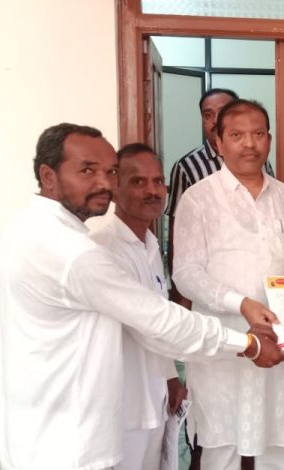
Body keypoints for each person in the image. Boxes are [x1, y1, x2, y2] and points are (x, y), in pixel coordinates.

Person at [0, 123, 283, 470]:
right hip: (65, 441)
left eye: (110, 172)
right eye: (87, 171)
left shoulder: (30, 227)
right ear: (48, 176)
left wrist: (170, 376)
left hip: (48, 427)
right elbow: (158, 321)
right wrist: (248, 344)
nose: (104, 183)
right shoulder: (75, 252)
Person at [172, 100, 284, 470]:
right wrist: (241, 303)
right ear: (218, 142)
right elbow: (185, 273)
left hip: (281, 338)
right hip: (224, 340)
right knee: (221, 446)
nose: (249, 144)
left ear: (269, 139)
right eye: (237, 135)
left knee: (276, 446)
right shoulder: (198, 198)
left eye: (258, 134)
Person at [89, 143, 187, 470]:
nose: (152, 191)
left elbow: (157, 315)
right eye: (138, 182)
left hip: (154, 399)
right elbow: (149, 325)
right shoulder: (102, 248)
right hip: (121, 407)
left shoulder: (150, 245)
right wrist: (238, 344)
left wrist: (171, 377)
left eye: (158, 181)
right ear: (115, 188)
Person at [165, 88, 274, 279]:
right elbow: (177, 232)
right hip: (211, 286)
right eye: (208, 115)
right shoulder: (186, 166)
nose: (215, 120)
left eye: (222, 111)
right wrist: (179, 289)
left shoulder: (260, 161)